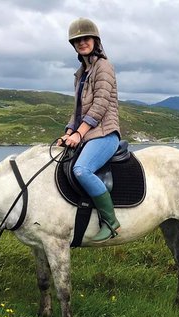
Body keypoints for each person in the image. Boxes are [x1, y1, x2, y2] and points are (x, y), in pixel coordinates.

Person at [58, 17, 122, 242]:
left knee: (81, 170)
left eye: (86, 38)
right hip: (87, 134)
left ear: (95, 40)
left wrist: (79, 132)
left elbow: (101, 104)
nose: (82, 42)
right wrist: (68, 131)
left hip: (105, 133)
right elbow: (77, 109)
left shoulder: (104, 67)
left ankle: (111, 220)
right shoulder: (81, 73)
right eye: (77, 40)